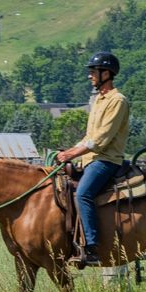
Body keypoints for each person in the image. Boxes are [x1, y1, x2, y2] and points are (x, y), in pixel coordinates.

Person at [52, 51, 130, 267]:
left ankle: (91, 247)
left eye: (93, 72)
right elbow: (89, 136)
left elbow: (101, 139)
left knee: (83, 194)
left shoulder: (118, 101)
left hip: (106, 160)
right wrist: (68, 151)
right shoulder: (98, 100)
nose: (90, 76)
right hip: (90, 159)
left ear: (106, 73)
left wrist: (71, 154)